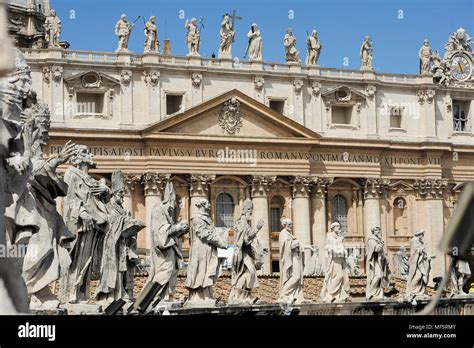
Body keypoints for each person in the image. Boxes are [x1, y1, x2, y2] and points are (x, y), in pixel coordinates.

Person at [60, 145, 111, 304]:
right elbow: (69, 199)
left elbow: (102, 200)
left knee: (87, 261)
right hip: (81, 224)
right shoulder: (71, 173)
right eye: (86, 152)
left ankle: (83, 295)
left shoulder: (89, 179)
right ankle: (70, 296)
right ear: (77, 158)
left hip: (94, 225)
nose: (90, 155)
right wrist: (82, 213)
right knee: (76, 260)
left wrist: (105, 190)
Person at [146, 182, 189, 302]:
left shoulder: (168, 213)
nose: (175, 206)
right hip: (163, 251)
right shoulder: (159, 209)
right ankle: (152, 298)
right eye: (174, 202)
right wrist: (177, 227)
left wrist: (181, 230)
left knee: (171, 272)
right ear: (169, 200)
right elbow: (160, 230)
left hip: (171, 248)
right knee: (164, 271)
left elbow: (168, 230)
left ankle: (166, 297)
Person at [185, 198, 227, 307]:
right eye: (207, 203)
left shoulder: (206, 218)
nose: (209, 204)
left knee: (208, 270)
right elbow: (203, 234)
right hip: (201, 249)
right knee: (201, 270)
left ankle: (207, 295)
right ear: (203, 205)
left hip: (209, 248)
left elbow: (210, 232)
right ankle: (198, 296)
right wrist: (219, 241)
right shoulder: (197, 218)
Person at [228, 199, 265, 305]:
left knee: (250, 274)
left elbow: (249, 240)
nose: (251, 213)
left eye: (251, 210)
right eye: (249, 210)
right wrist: (257, 229)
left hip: (246, 253)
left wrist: (261, 249)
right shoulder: (241, 223)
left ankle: (245, 296)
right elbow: (245, 239)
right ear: (244, 210)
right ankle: (237, 296)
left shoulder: (246, 224)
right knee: (248, 273)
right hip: (242, 253)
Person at [277, 218, 307, 304]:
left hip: (296, 257)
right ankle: (284, 294)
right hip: (290, 258)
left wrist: (308, 247)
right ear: (285, 225)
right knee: (296, 276)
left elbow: (296, 245)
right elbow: (285, 245)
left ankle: (295, 295)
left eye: (291, 224)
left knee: (298, 276)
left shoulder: (289, 234)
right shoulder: (283, 234)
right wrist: (295, 243)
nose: (291, 226)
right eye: (289, 224)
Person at [320, 222, 350, 303]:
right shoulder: (330, 235)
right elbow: (333, 244)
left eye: (339, 226)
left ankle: (338, 295)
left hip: (340, 258)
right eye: (337, 226)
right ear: (333, 227)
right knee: (339, 276)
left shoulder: (338, 236)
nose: (338, 228)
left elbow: (341, 246)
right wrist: (341, 238)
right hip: (334, 259)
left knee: (342, 276)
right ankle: (331, 293)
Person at [405, 229, 433, 301]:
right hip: (416, 262)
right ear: (419, 234)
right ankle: (411, 291)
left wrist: (429, 256)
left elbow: (423, 252)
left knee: (421, 277)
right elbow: (415, 251)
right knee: (418, 276)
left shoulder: (420, 241)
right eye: (422, 234)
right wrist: (422, 248)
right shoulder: (414, 241)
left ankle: (419, 291)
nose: (423, 236)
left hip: (421, 262)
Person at [366, 227, 390, 300]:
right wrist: (381, 244)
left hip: (380, 260)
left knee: (381, 276)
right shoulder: (371, 240)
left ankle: (379, 294)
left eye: (379, 230)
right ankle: (371, 292)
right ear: (373, 231)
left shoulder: (378, 239)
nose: (378, 231)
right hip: (375, 261)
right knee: (378, 276)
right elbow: (377, 249)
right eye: (376, 230)